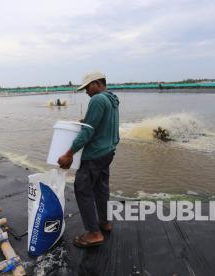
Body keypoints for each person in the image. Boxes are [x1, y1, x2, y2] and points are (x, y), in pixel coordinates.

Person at [58, 71, 120, 248]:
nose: (86, 91)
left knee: (82, 188)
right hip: (108, 152)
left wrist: (69, 153)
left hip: (94, 154)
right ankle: (105, 223)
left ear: (98, 84)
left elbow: (88, 132)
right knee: (101, 188)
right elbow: (105, 122)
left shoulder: (97, 99)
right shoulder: (111, 98)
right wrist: (86, 120)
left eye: (87, 87)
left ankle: (94, 233)